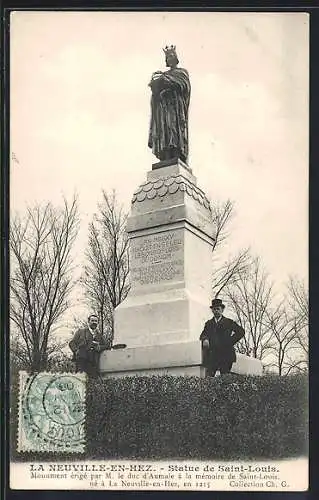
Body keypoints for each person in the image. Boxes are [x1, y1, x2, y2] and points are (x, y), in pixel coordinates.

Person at [148, 45, 191, 164]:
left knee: (174, 129)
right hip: (163, 107)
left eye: (171, 56)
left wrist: (167, 81)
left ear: (176, 58)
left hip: (175, 107)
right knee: (164, 130)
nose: (169, 58)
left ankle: (176, 153)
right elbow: (155, 94)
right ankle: (165, 154)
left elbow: (183, 86)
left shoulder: (182, 73)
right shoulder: (162, 74)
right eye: (167, 57)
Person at [200, 298, 245, 377]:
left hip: (226, 354)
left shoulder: (229, 322)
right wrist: (205, 339)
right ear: (212, 310)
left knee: (225, 379)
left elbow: (241, 332)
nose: (216, 311)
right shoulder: (209, 323)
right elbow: (203, 334)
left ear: (222, 310)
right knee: (208, 379)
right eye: (214, 309)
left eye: (218, 309)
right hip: (212, 355)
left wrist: (230, 341)